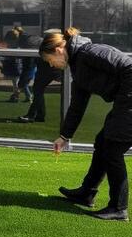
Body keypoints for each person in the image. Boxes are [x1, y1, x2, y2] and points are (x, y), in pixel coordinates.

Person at [39, 27, 132, 221]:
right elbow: (77, 106)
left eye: (49, 60)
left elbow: (129, 67)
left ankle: (118, 208)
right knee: (103, 142)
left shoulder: (90, 53)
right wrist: (64, 136)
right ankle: (86, 193)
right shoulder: (78, 66)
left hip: (128, 100)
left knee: (112, 149)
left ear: (58, 50)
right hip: (125, 101)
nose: (51, 65)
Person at [2, 26, 22, 102]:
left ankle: (16, 97)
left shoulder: (16, 47)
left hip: (16, 65)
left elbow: (16, 58)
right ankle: (16, 96)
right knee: (15, 82)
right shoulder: (12, 46)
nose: (7, 42)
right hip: (14, 65)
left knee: (16, 82)